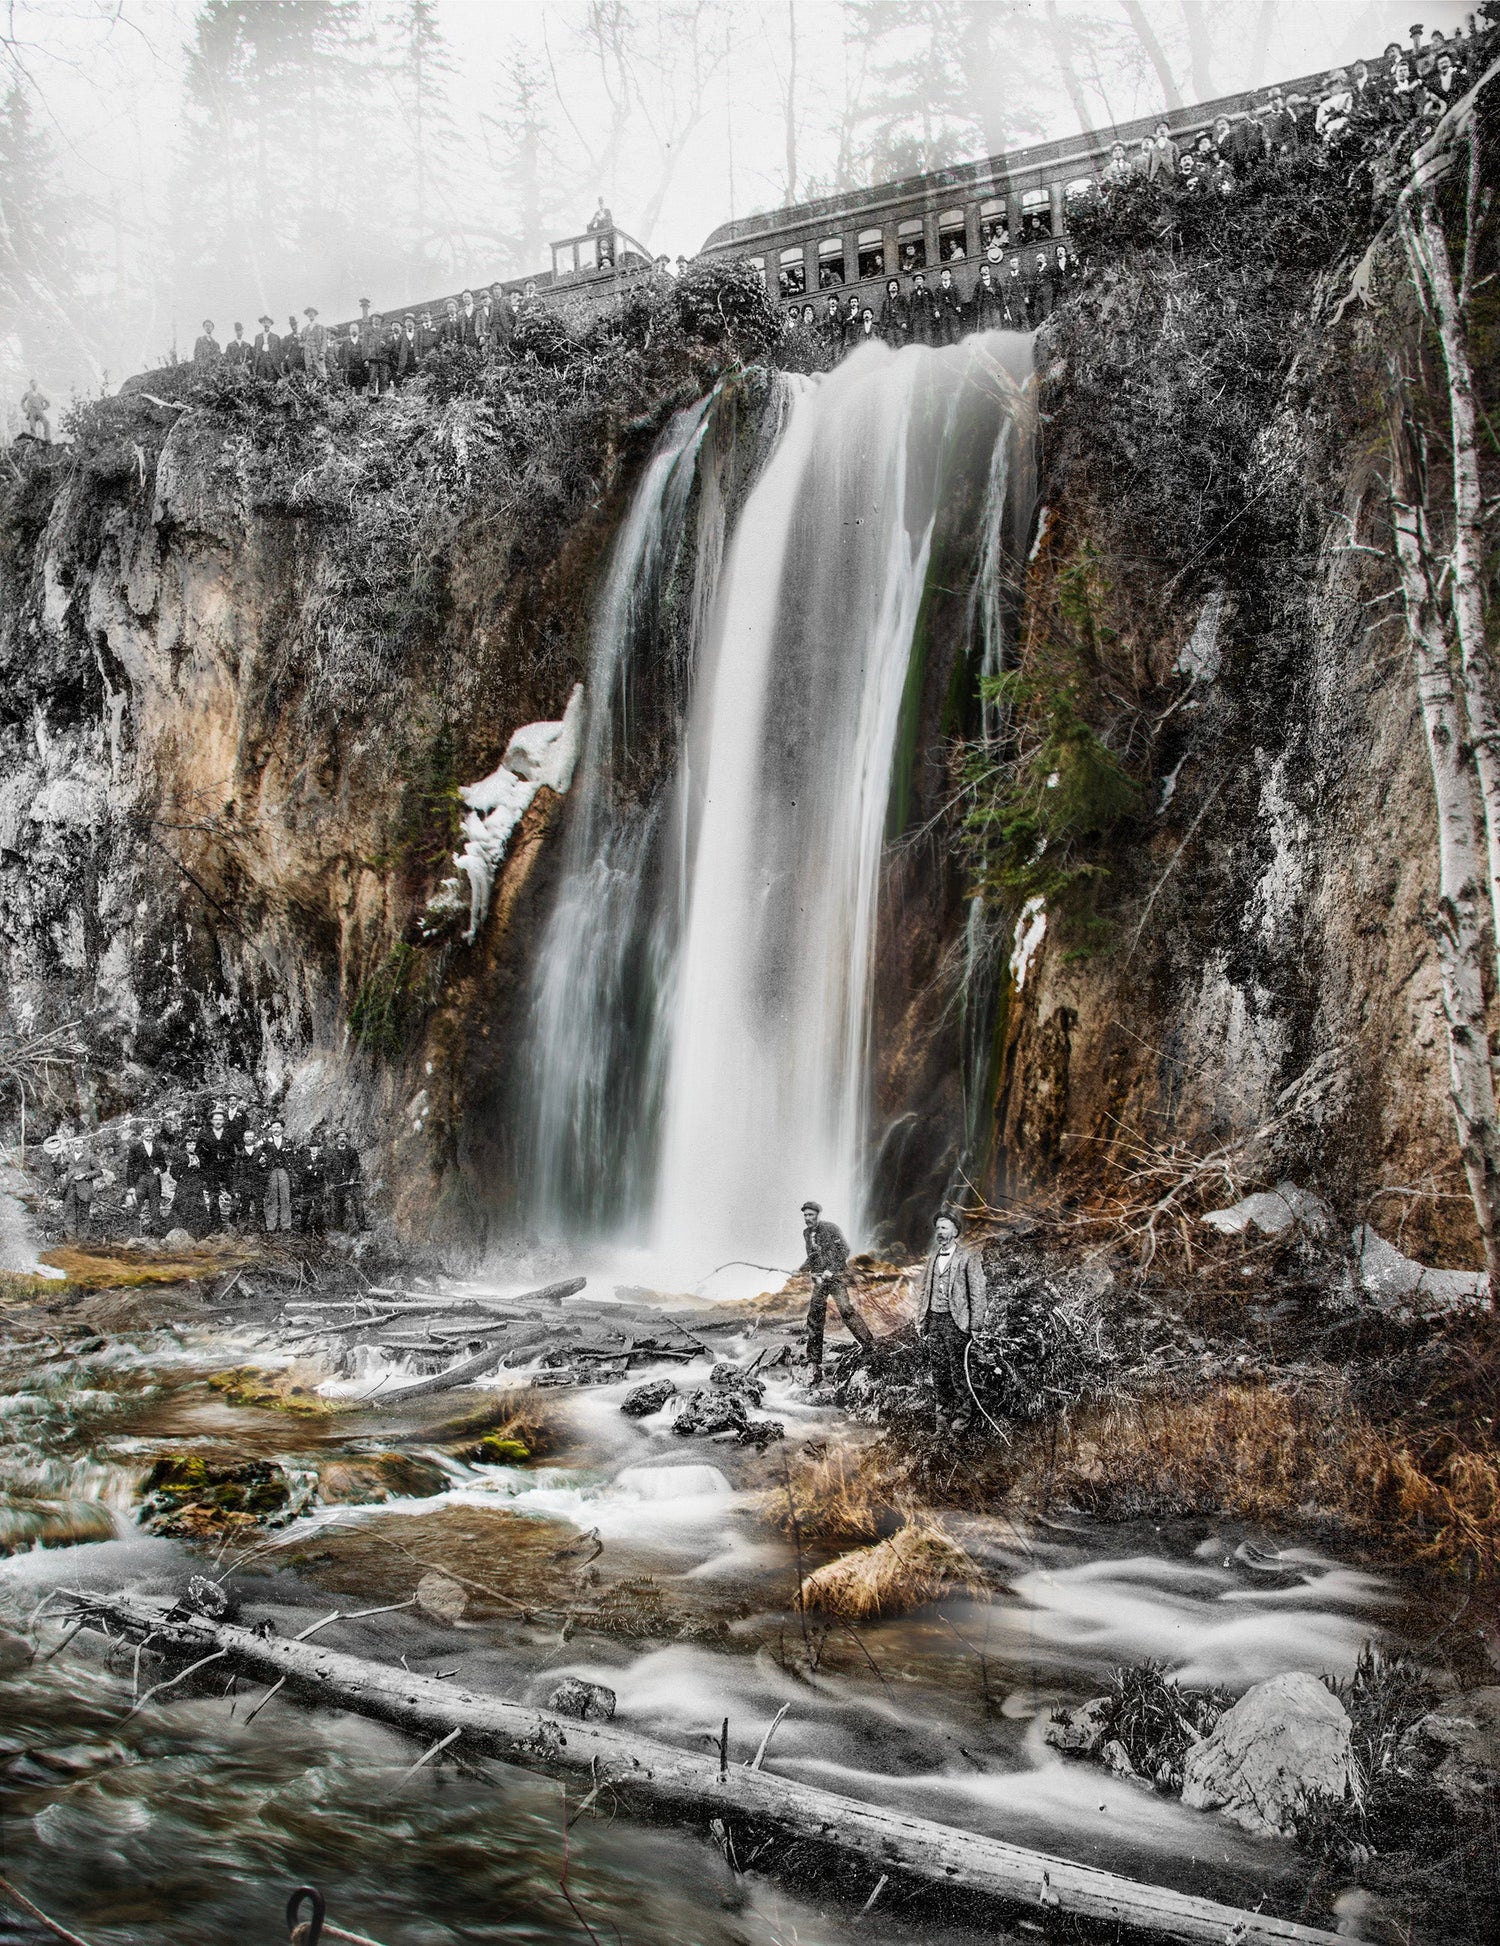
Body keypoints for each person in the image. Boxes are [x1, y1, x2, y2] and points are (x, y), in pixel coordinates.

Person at [915, 1209, 988, 1432]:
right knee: (939, 1373)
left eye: (944, 1227)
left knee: (959, 1373)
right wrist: (921, 1320)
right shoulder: (933, 1258)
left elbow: (978, 1293)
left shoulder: (967, 1257)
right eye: (937, 1228)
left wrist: (975, 1325)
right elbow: (925, 1289)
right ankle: (942, 1421)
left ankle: (962, 1421)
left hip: (956, 1324)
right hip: (934, 1321)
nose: (940, 1232)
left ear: (955, 1231)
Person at [797, 1200, 875, 1372]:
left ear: (818, 1215)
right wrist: (801, 1270)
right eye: (805, 1215)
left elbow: (844, 1251)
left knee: (846, 1310)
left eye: (810, 1214)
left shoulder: (831, 1228)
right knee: (815, 1316)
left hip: (836, 1279)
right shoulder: (806, 1233)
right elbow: (812, 1257)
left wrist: (830, 1271)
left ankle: (870, 1345)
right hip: (819, 1282)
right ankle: (813, 1358)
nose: (807, 1218)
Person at [124, 1120, 169, 1231]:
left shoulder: (158, 1148)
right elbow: (130, 1167)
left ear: (153, 1134)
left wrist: (160, 1169)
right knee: (137, 1206)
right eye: (146, 1132)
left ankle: (156, 1232)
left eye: (150, 1132)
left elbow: (163, 1165)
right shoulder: (135, 1148)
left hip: (154, 1180)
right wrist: (131, 1186)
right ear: (142, 1134)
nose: (148, 1134)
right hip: (140, 1180)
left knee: (155, 1207)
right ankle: (134, 1232)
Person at [261, 1119, 295, 1232]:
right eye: (274, 1127)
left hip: (283, 1171)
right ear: (271, 1129)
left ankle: (286, 1225)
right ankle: (271, 1225)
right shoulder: (266, 1143)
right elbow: (261, 1157)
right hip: (271, 1172)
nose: (276, 1129)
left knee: (285, 1197)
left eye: (278, 1127)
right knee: (272, 1197)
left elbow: (292, 1158)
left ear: (282, 1129)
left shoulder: (288, 1142)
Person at [329, 1131, 366, 1231]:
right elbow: (328, 1169)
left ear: (347, 1139)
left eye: (344, 1137)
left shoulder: (352, 1151)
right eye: (340, 1137)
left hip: (351, 1182)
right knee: (338, 1205)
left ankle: (362, 1225)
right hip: (338, 1183)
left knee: (358, 1201)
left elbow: (356, 1166)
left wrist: (353, 1178)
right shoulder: (332, 1152)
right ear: (336, 1139)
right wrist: (331, 1182)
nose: (342, 1139)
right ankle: (339, 1227)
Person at [934, 265, 964, 346]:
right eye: (944, 273)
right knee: (944, 331)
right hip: (943, 312)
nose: (945, 275)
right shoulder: (938, 288)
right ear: (941, 276)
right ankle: (947, 348)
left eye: (947, 273)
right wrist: (936, 310)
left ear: (950, 275)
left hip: (953, 311)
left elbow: (958, 297)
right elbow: (935, 301)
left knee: (955, 329)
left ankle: (957, 347)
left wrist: (958, 306)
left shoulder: (954, 286)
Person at [971, 262, 1004, 332]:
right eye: (984, 268)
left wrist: (993, 291)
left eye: (987, 268)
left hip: (994, 305)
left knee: (997, 322)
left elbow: (1000, 293)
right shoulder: (978, 283)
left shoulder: (995, 280)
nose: (986, 269)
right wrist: (978, 306)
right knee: (987, 324)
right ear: (980, 271)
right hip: (984, 307)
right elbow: (975, 297)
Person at [906, 270, 936, 346]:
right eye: (917, 279)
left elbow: (932, 302)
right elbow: (910, 305)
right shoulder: (912, 292)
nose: (919, 280)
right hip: (916, 318)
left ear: (923, 280)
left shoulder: (927, 290)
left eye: (920, 279)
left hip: (926, 317)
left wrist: (934, 311)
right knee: (917, 337)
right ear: (914, 281)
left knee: (928, 336)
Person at [365, 312, 391, 397]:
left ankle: (383, 397)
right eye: (375, 317)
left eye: (379, 318)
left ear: (381, 320)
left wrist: (385, 345)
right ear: (372, 319)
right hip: (372, 359)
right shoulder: (367, 331)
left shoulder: (385, 332)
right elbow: (364, 346)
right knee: (372, 378)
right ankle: (371, 398)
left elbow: (390, 346)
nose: (376, 319)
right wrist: (365, 359)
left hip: (383, 359)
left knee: (383, 379)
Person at [300, 305, 328, 381]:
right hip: (308, 354)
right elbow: (301, 341)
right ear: (307, 315)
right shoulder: (304, 329)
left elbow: (324, 341)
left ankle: (324, 390)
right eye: (309, 313)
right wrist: (304, 345)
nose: (310, 315)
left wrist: (322, 352)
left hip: (317, 353)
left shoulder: (321, 327)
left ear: (315, 314)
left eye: (312, 313)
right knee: (310, 373)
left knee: (321, 372)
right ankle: (312, 391)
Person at [878, 275, 906, 345]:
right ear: (888, 288)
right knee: (890, 344)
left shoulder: (902, 298)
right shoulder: (886, 300)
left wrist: (904, 322)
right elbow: (882, 314)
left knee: (900, 343)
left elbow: (906, 311)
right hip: (889, 326)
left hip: (899, 325)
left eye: (895, 285)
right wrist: (882, 327)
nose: (894, 286)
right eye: (892, 285)